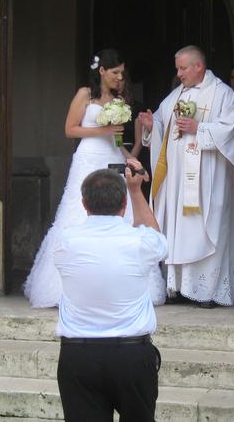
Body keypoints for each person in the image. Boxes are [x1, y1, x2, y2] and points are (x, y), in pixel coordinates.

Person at [24, 49, 166, 308]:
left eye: (122, 73)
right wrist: (104, 130)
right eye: (115, 72)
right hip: (89, 158)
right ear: (102, 71)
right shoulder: (85, 95)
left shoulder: (118, 100)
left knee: (120, 213)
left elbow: (117, 142)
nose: (120, 77)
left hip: (112, 157)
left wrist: (131, 159)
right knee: (77, 212)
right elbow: (70, 129)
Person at [139, 45, 234, 308]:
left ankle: (209, 290)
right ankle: (180, 287)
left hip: (211, 179)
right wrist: (151, 125)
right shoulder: (176, 95)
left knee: (209, 227)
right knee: (180, 230)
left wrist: (199, 127)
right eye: (178, 69)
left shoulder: (223, 94)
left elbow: (231, 130)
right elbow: (161, 123)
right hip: (178, 181)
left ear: (199, 66)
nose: (179, 74)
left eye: (183, 68)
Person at [55, 160, 166, 422]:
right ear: (124, 205)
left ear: (84, 204)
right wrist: (136, 191)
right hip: (131, 354)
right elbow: (157, 239)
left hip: (78, 355)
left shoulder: (65, 241)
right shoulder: (140, 241)